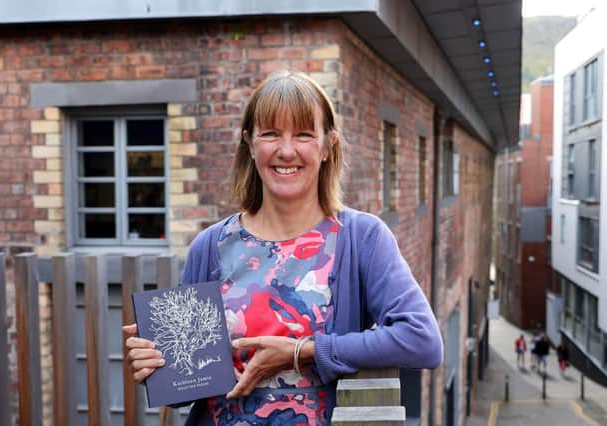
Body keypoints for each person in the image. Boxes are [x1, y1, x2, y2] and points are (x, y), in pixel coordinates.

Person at [123, 70, 443, 425]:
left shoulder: (362, 238)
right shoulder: (210, 246)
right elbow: (192, 388)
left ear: (327, 145)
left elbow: (422, 340)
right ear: (249, 142)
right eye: (271, 134)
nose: (286, 150)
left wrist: (301, 352)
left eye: (304, 134)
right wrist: (160, 362)